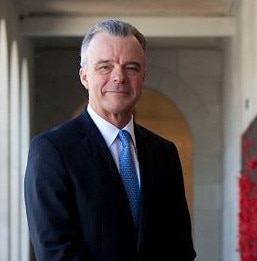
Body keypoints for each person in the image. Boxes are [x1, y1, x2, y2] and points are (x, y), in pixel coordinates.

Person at [24, 19, 196, 261]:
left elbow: (181, 248)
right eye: (105, 67)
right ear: (84, 76)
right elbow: (56, 252)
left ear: (143, 77)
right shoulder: (52, 151)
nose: (119, 77)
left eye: (131, 68)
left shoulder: (164, 153)